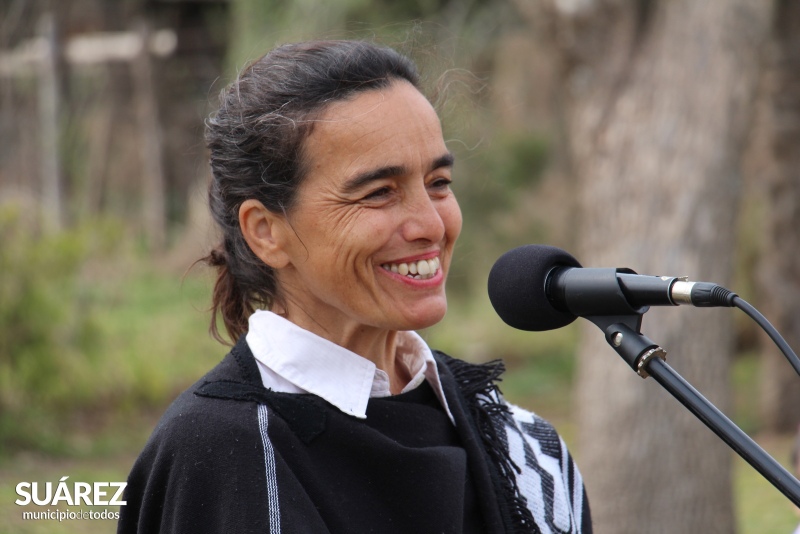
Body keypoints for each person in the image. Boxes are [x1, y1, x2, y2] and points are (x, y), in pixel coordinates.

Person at [117, 39, 591, 534]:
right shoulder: (219, 454)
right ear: (266, 231)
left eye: (439, 182)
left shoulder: (526, 450)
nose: (430, 224)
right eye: (379, 193)